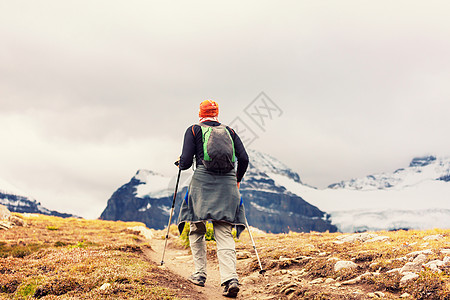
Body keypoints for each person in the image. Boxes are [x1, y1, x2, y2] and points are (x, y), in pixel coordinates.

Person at [176, 100, 249, 298]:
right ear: (217, 114)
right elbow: (244, 159)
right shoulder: (230, 132)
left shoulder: (193, 130)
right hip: (227, 184)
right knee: (224, 231)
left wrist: (180, 162)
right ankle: (231, 279)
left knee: (196, 227)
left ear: (200, 113)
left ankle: (199, 274)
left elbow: (184, 162)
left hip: (202, 183)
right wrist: (236, 180)